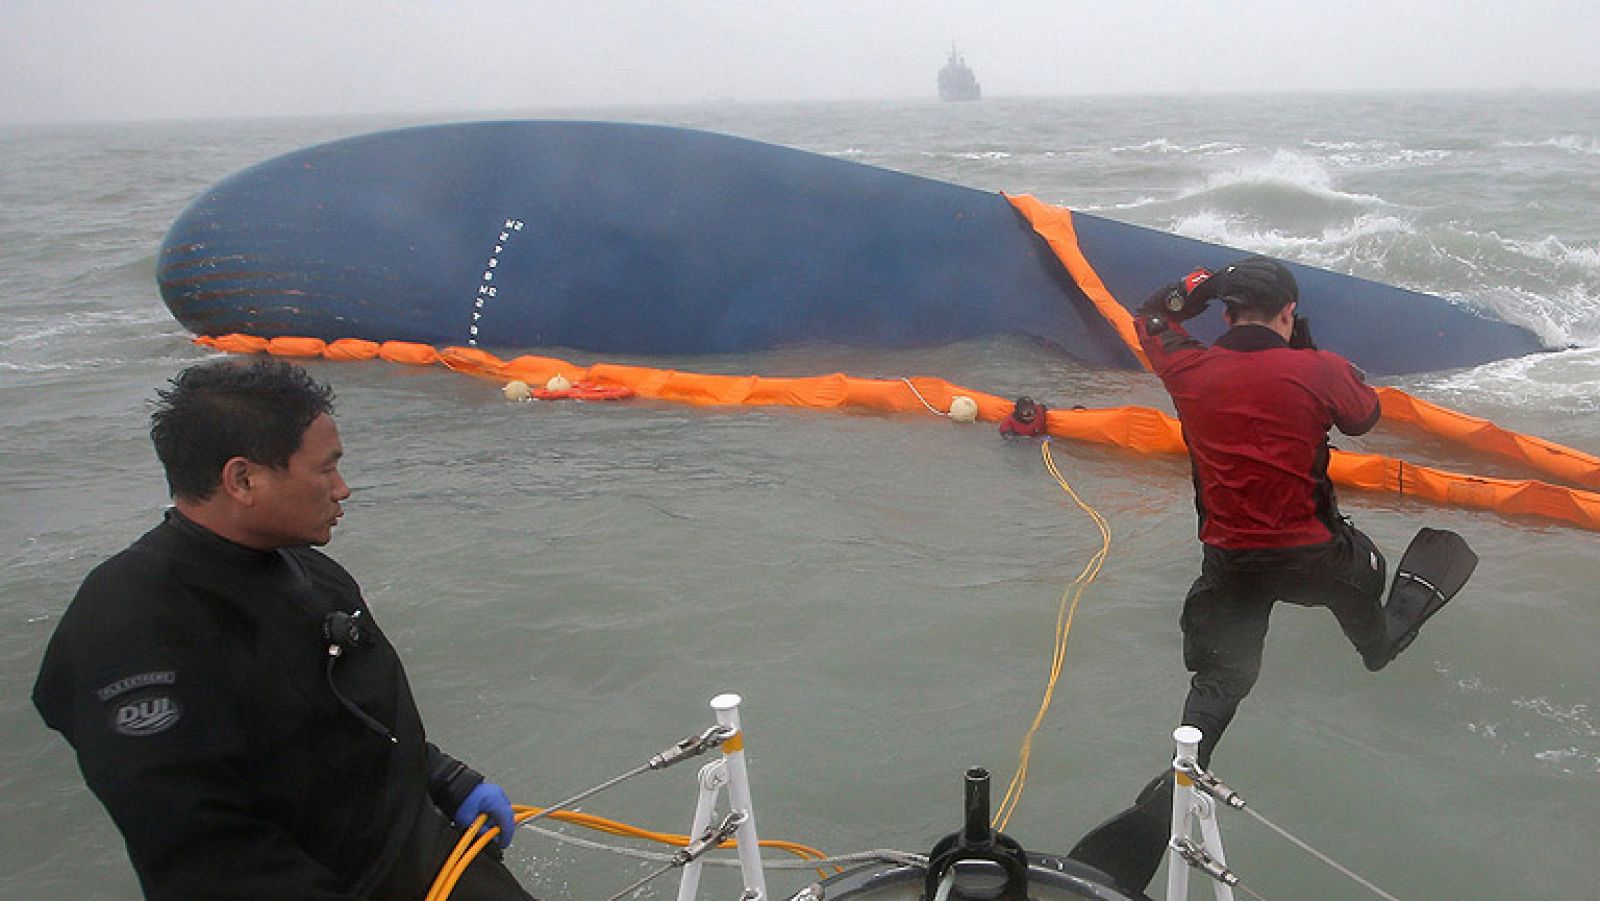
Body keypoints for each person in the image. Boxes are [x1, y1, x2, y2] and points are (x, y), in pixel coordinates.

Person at [32, 358, 535, 900]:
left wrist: (446, 781)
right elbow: (204, 852)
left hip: (424, 854)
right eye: (325, 469)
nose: (342, 489)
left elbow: (361, 722)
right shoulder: (131, 626)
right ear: (243, 479)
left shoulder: (309, 570)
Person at [1133, 256, 1391, 769]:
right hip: (1315, 562)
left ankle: (1183, 772)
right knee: (1365, 571)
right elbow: (1363, 419)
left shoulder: (1187, 368)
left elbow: (1149, 316)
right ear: (1288, 313)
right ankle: (1375, 645)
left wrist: (1197, 285)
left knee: (1222, 678)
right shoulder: (1321, 369)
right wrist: (1306, 353)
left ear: (1225, 317)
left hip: (1232, 563)